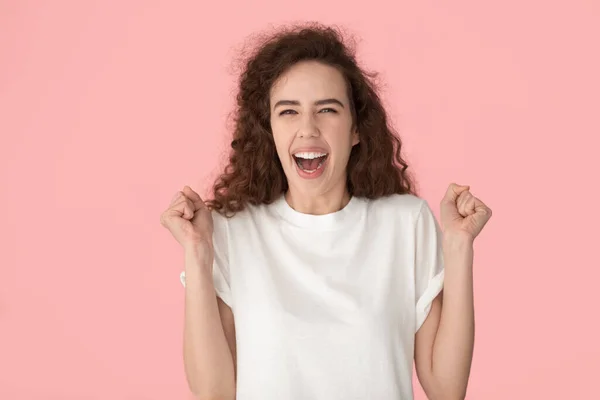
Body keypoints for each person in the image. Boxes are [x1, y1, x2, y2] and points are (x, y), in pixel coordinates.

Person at [160, 22, 492, 400]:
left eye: (327, 110)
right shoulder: (232, 232)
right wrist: (198, 254)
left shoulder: (405, 222)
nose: (308, 129)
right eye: (288, 112)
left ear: (356, 129)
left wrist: (459, 245)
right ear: (269, 129)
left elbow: (447, 389)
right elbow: (213, 393)